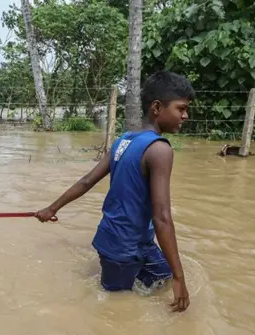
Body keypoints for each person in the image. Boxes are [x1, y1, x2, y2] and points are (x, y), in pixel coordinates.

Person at [36, 70, 194, 312]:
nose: (185, 115)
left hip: (129, 241)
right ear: (156, 107)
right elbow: (162, 218)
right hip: (122, 251)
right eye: (180, 108)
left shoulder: (124, 141)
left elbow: (87, 181)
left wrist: (51, 208)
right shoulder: (160, 150)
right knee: (115, 309)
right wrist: (180, 279)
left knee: (162, 277)